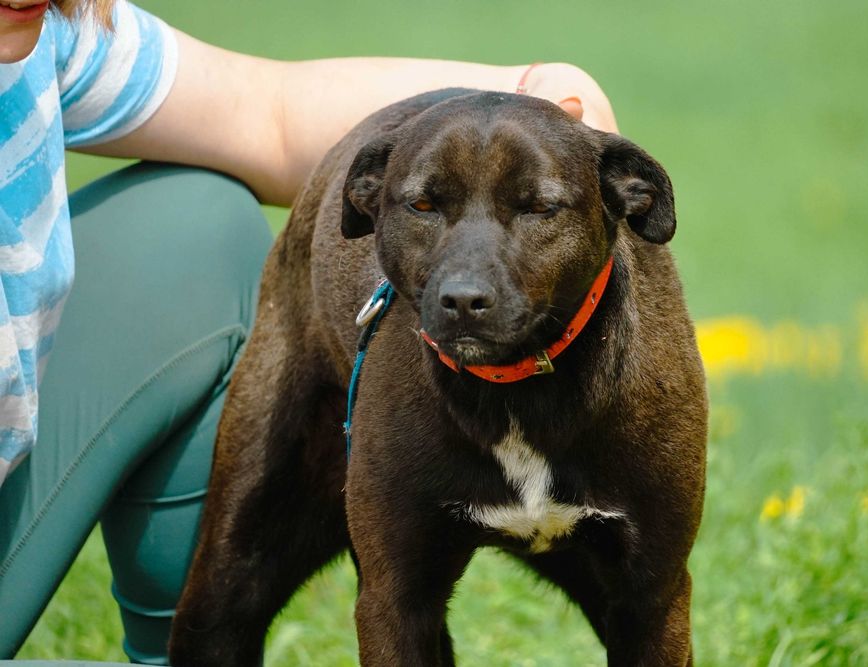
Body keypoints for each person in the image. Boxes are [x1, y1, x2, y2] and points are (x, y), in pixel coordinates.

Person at [0, 0, 618, 664]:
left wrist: (529, 89)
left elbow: (269, 116)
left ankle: (182, 649)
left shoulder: (47, 31)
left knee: (195, 218)